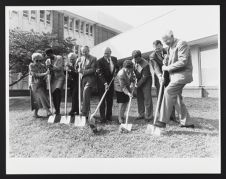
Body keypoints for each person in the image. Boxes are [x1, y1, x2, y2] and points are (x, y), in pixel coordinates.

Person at [155, 30, 194, 129]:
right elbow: (170, 58)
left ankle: (162, 121)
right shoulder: (169, 47)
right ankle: (187, 122)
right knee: (177, 98)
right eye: (164, 42)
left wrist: (167, 68)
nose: (166, 43)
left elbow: (183, 61)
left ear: (172, 36)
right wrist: (166, 60)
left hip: (182, 75)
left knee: (168, 91)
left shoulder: (182, 43)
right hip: (174, 76)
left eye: (167, 40)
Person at [149, 40, 176, 122]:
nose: (157, 50)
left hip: (169, 76)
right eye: (155, 49)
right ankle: (161, 117)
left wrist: (168, 60)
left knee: (170, 95)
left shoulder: (168, 51)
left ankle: (172, 116)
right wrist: (160, 76)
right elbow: (156, 67)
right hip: (159, 78)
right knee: (160, 96)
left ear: (161, 45)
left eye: (158, 48)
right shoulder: (152, 56)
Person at [96, 47, 119, 123]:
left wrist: (116, 72)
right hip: (102, 83)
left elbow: (117, 67)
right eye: (105, 53)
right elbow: (100, 73)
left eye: (107, 53)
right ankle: (102, 118)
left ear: (110, 52)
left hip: (111, 83)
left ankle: (109, 117)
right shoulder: (99, 61)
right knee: (102, 101)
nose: (106, 55)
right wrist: (105, 83)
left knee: (110, 100)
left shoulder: (114, 59)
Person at [75, 46, 97, 119]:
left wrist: (83, 71)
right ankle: (88, 112)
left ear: (88, 50)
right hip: (82, 79)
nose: (84, 53)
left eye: (85, 51)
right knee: (84, 96)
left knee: (86, 92)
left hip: (90, 79)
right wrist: (77, 66)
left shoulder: (93, 58)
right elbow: (76, 68)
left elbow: (93, 69)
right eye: (83, 52)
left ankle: (84, 112)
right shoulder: (80, 58)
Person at [132, 50, 154, 122]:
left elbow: (144, 77)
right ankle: (141, 114)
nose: (136, 60)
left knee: (147, 98)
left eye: (137, 59)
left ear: (140, 57)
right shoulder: (133, 61)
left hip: (146, 80)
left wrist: (137, 85)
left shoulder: (145, 64)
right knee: (139, 98)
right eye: (134, 59)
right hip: (138, 79)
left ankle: (149, 116)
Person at [29, 53, 51, 118]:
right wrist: (45, 73)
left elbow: (46, 73)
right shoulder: (31, 65)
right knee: (42, 96)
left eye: (40, 60)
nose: (38, 62)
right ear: (33, 60)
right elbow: (34, 74)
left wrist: (47, 75)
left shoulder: (43, 65)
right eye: (37, 60)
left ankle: (35, 114)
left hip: (42, 83)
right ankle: (48, 111)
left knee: (38, 99)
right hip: (35, 84)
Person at [45, 48, 65, 115]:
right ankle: (56, 110)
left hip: (60, 77)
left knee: (57, 91)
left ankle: (58, 109)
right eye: (47, 55)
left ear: (52, 53)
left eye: (49, 54)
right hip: (52, 79)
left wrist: (52, 66)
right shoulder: (47, 60)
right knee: (53, 94)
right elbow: (48, 70)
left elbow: (59, 68)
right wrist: (48, 70)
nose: (48, 56)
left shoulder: (59, 58)